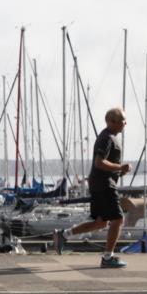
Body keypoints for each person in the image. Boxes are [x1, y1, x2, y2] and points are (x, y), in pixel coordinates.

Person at [54, 108, 131, 268]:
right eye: (123, 120)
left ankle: (64, 235)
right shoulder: (106, 138)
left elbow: (104, 165)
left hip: (100, 183)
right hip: (104, 185)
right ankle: (108, 258)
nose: (125, 123)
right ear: (112, 122)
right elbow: (99, 162)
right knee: (118, 219)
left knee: (101, 222)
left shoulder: (110, 137)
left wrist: (120, 171)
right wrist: (120, 167)